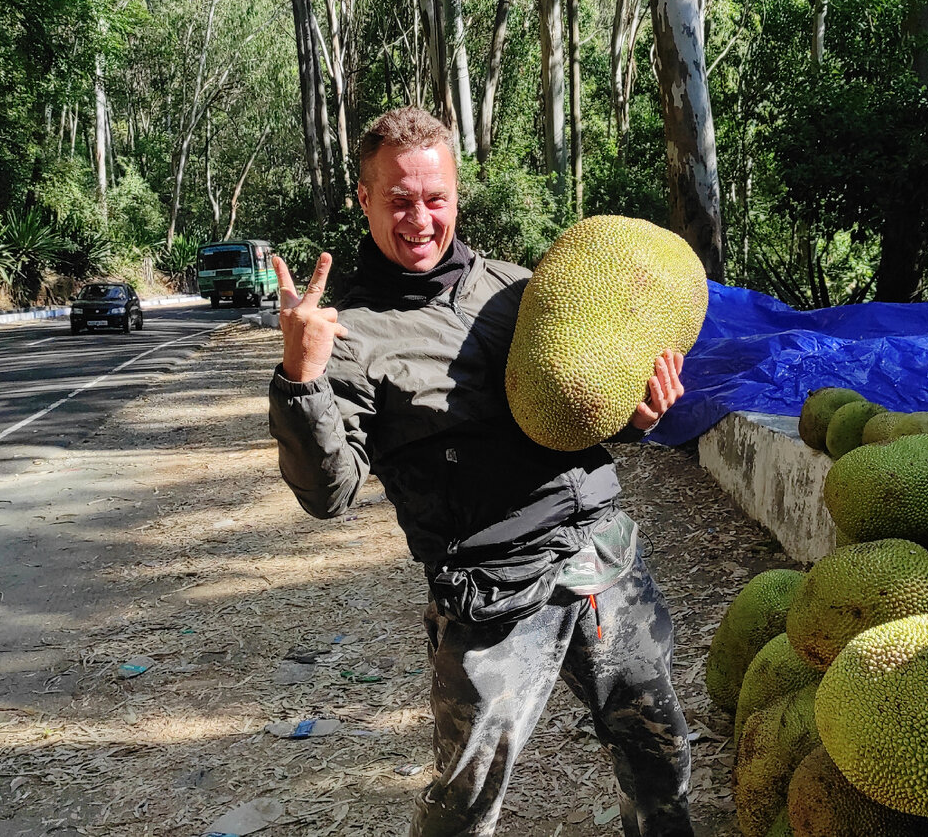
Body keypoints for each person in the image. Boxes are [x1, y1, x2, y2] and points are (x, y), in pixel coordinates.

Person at [268, 106, 695, 837]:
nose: (420, 219)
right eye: (399, 200)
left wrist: (637, 416)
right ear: (364, 199)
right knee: (466, 800)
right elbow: (328, 494)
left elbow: (578, 409)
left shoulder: (520, 290)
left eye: (435, 198)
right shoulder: (349, 338)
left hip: (601, 556)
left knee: (659, 754)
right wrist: (301, 379)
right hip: (492, 593)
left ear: (457, 195)